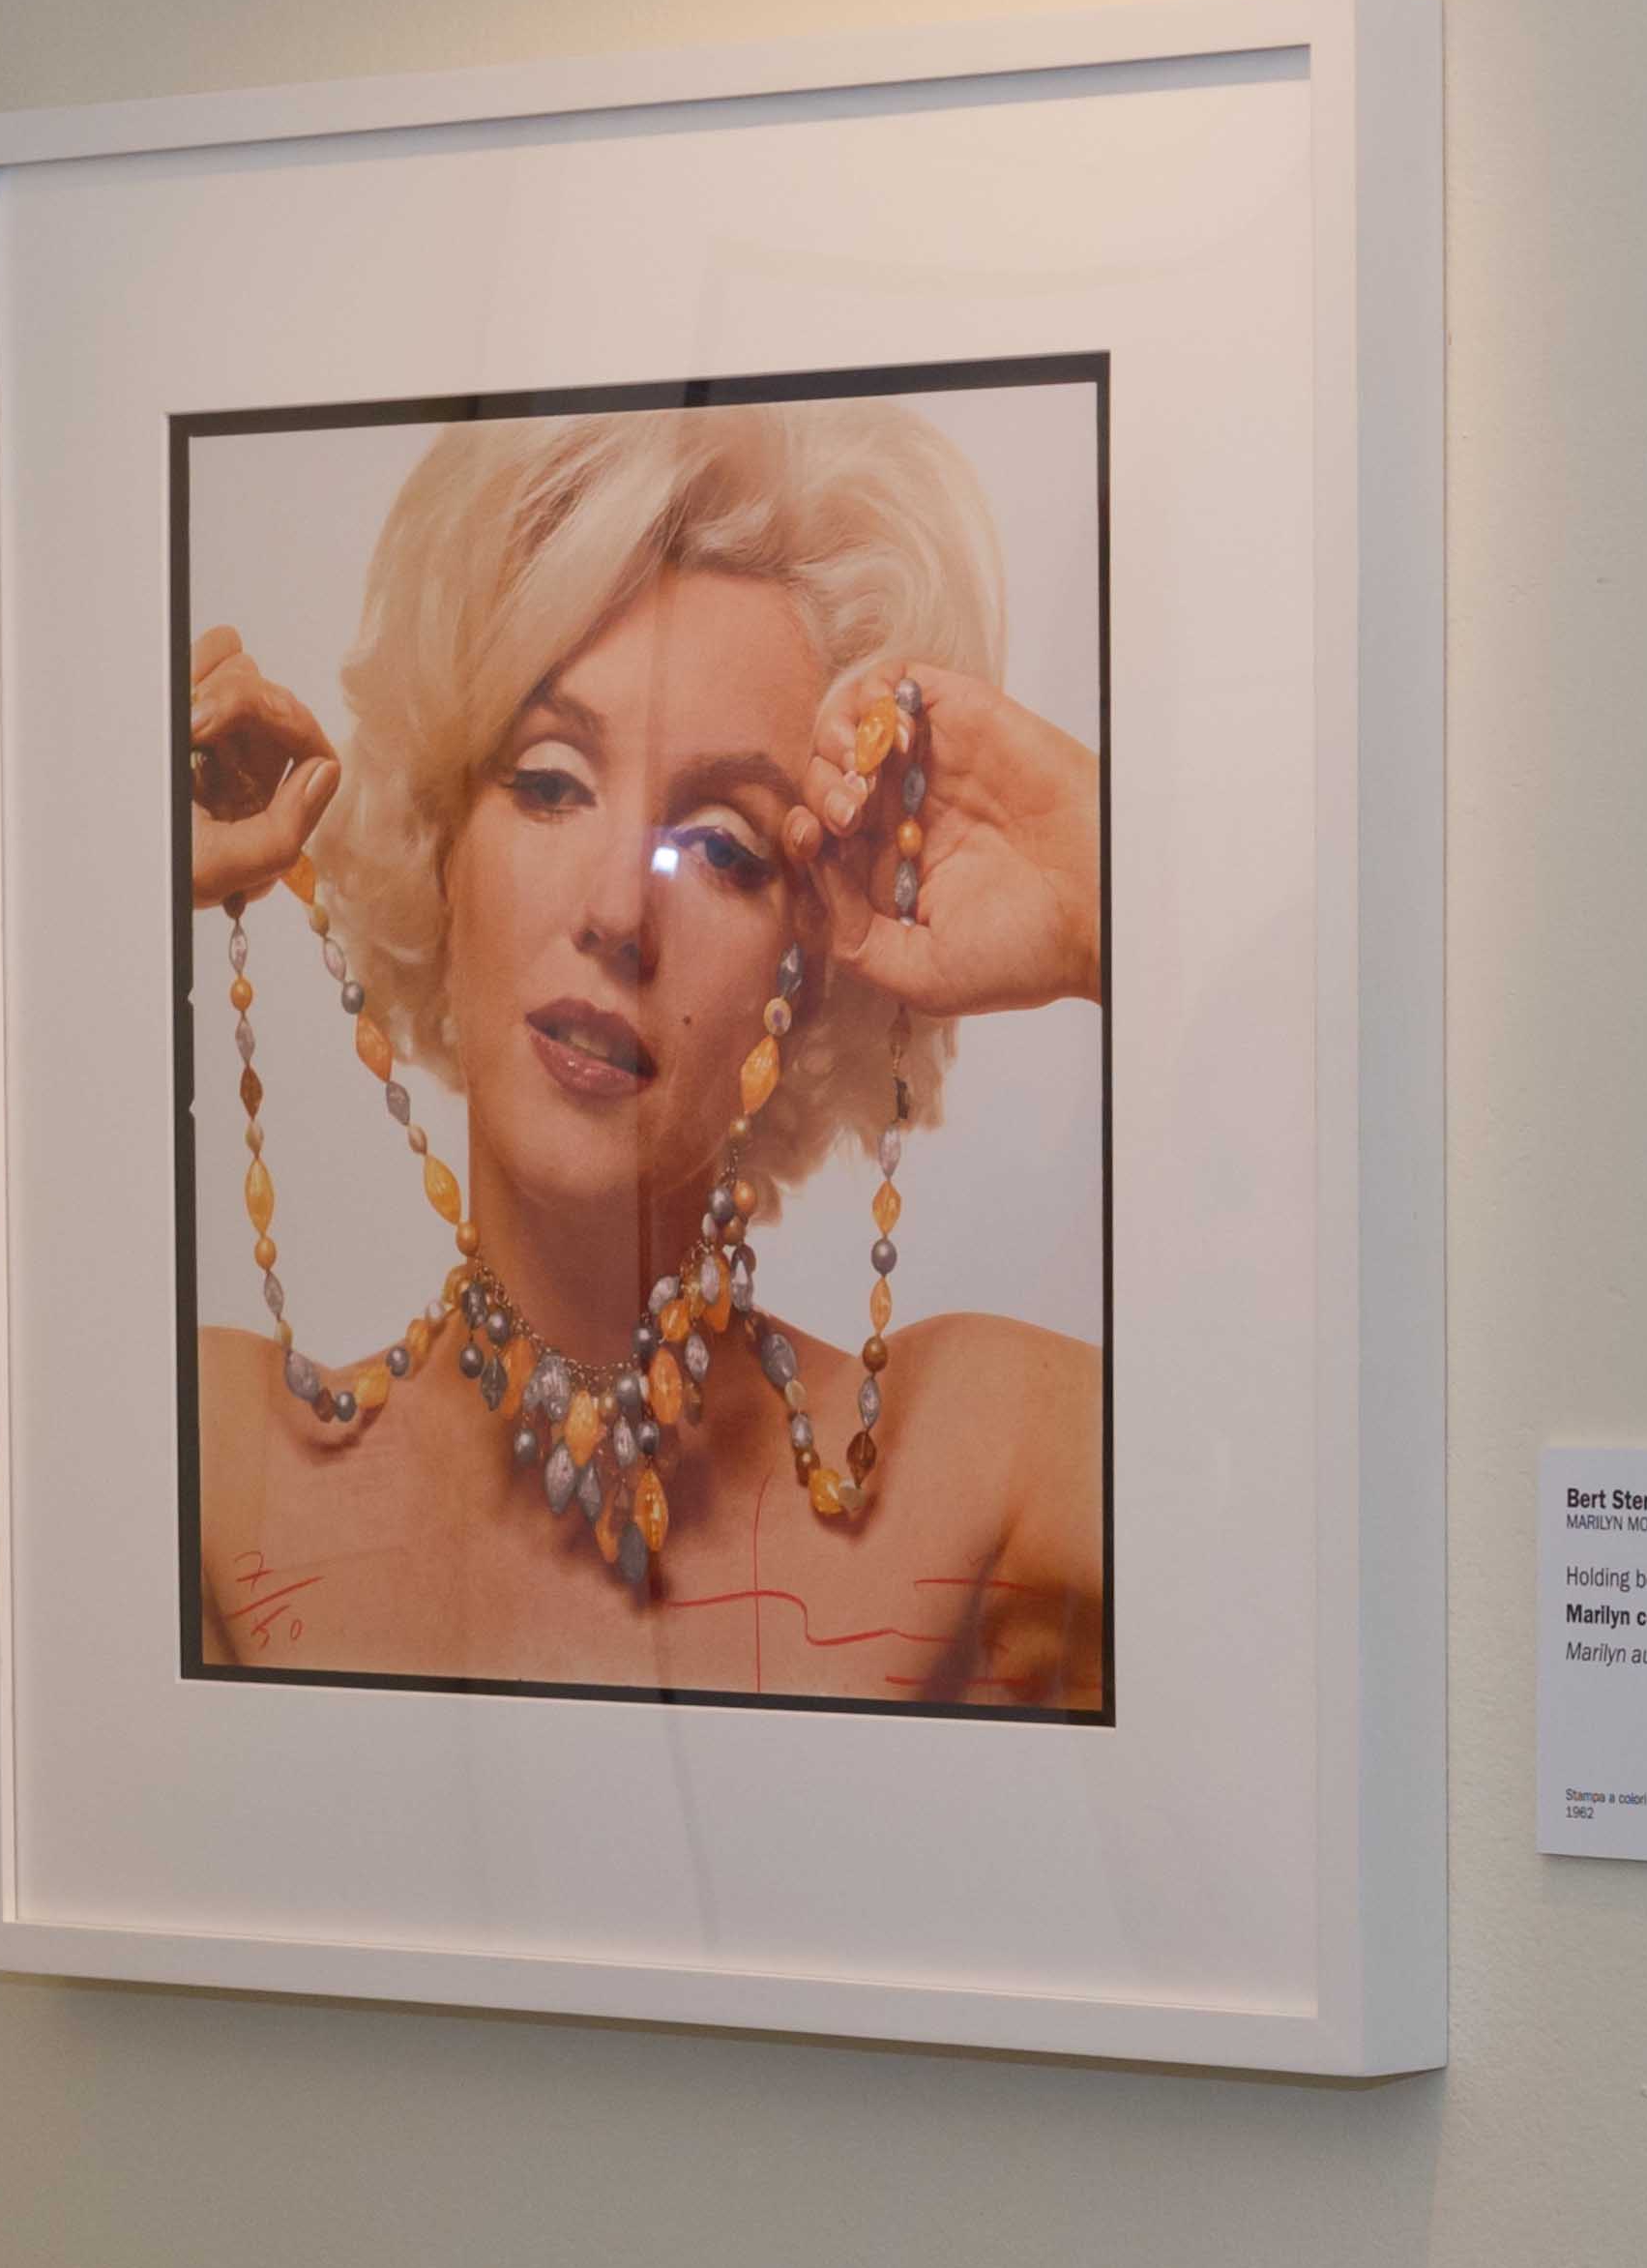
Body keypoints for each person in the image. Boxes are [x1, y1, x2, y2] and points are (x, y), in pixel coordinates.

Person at [181, 397, 1109, 1706]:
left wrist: (1097, 891)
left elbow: (1347, 1524)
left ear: (813, 965)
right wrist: (95, 870)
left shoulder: (980, 1471)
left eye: (723, 847)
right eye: (550, 783)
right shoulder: (222, 1471)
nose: (620, 910)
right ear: (442, 845)